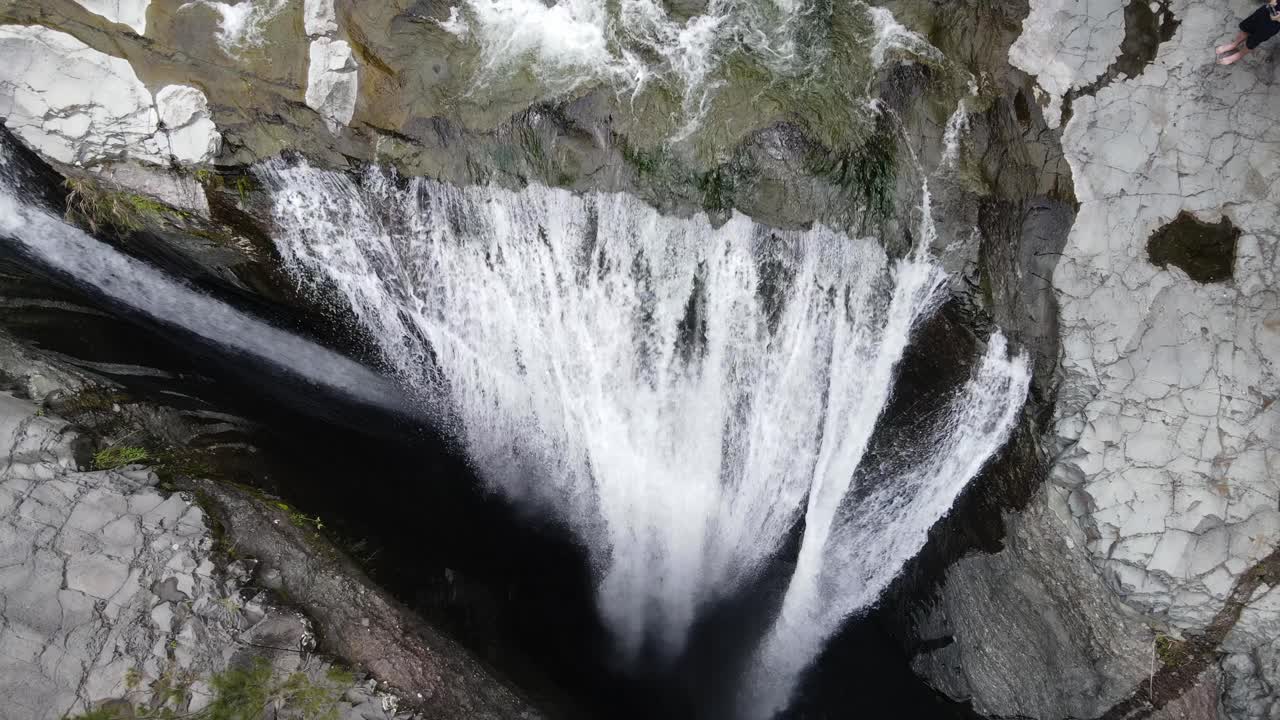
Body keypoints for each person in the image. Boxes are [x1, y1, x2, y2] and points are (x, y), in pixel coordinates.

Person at [1218, 0, 1280, 64]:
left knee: (1254, 41)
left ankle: (1239, 55)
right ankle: (1234, 44)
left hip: (1274, 24)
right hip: (1266, 10)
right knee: (1247, 27)